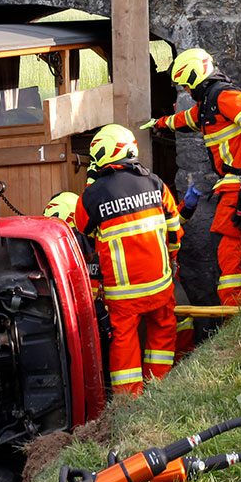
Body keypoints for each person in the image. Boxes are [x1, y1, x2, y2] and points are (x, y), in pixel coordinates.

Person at [145, 48, 241, 310]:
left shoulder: (225, 97)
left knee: (227, 245)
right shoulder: (210, 103)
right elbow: (188, 119)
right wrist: (160, 123)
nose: (187, 91)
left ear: (197, 77)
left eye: (188, 85)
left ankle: (234, 310)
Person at [73, 125, 183, 398]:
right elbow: (174, 231)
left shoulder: (93, 195)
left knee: (124, 344)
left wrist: (91, 184)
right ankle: (159, 390)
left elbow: (82, 228)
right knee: (163, 332)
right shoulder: (156, 183)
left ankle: (127, 403)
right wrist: (171, 261)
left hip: (123, 295)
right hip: (160, 285)